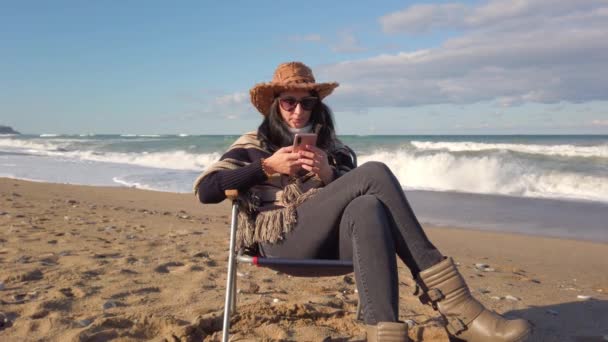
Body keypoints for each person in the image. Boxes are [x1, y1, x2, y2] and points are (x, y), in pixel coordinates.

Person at [194, 62, 532, 342]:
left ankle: (383, 332)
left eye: (307, 103)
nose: (298, 110)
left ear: (318, 105)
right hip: (280, 242)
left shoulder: (334, 149)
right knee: (375, 172)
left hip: (334, 245)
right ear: (275, 105)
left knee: (367, 207)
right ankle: (459, 307)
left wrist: (330, 175)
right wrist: (267, 167)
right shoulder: (254, 143)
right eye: (288, 102)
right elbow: (207, 190)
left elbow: (360, 201)